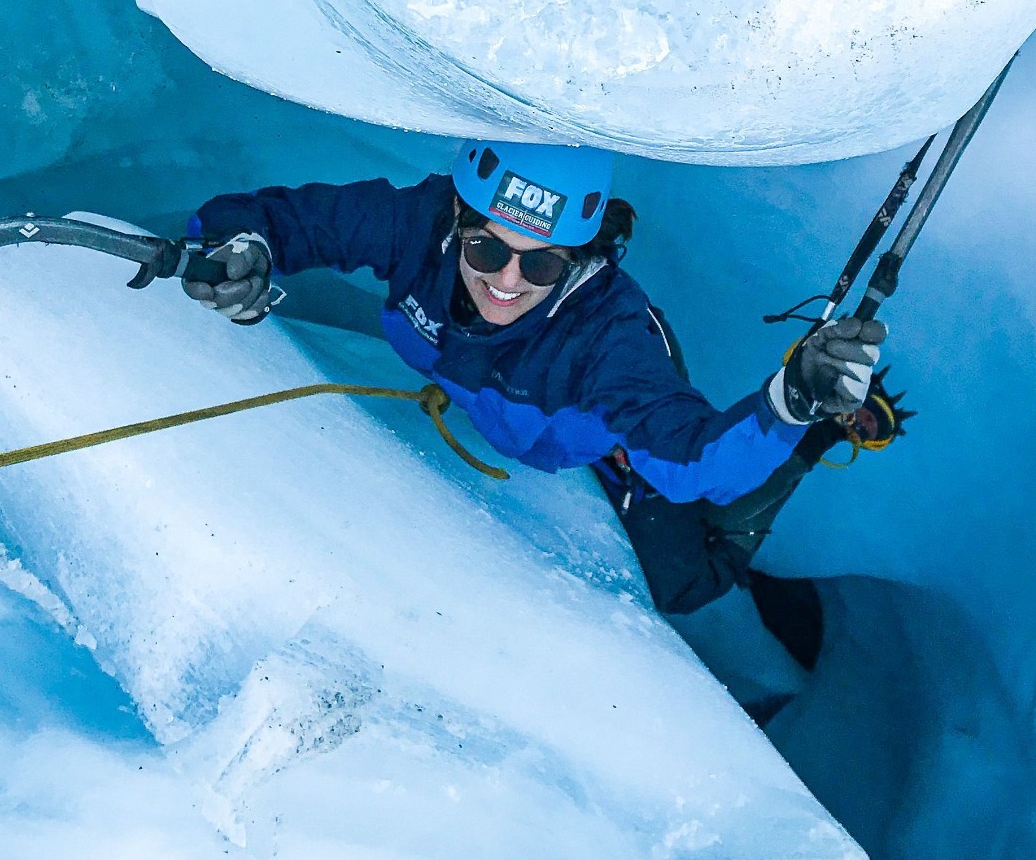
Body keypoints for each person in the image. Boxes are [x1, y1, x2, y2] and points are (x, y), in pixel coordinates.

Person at [182, 140, 887, 680]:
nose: (507, 280)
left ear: (577, 259)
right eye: (487, 248)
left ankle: (817, 428)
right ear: (458, 219)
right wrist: (240, 250)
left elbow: (690, 461)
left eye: (541, 265)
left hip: (610, 436)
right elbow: (286, 220)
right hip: (503, 413)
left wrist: (793, 397)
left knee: (688, 581)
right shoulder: (416, 227)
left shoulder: (608, 340)